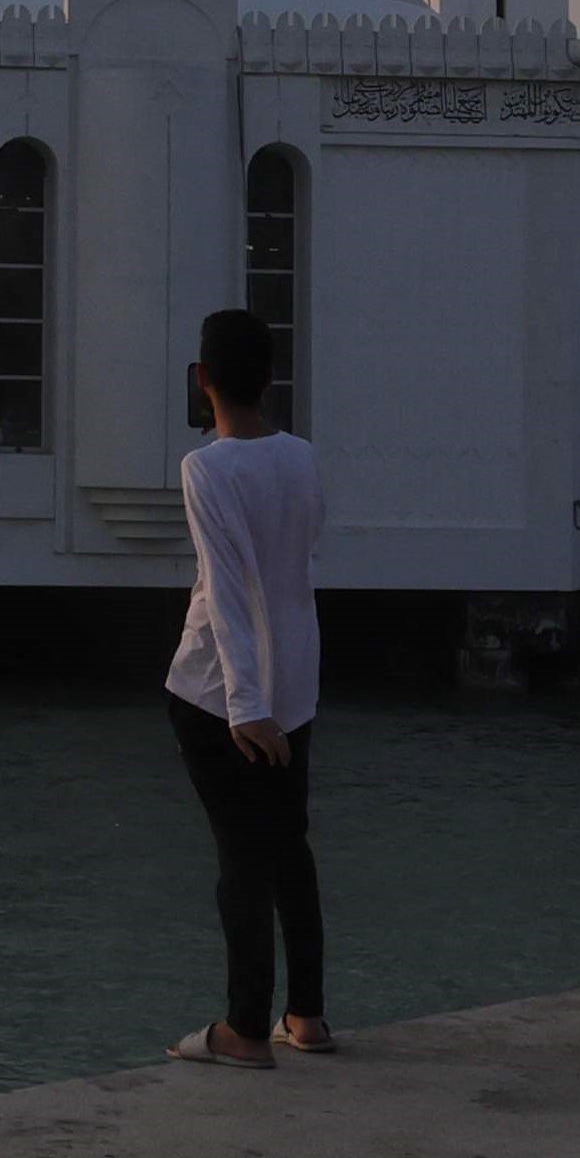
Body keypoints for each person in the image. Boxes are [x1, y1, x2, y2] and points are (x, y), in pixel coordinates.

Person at [160, 306, 329, 1067]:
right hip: (295, 682)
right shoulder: (302, 458)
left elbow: (227, 591)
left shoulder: (205, 468)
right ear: (269, 378)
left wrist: (243, 707)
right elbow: (289, 571)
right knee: (288, 847)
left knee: (240, 857)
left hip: (217, 691)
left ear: (202, 381)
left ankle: (243, 1029)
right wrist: (272, 701)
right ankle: (307, 1015)